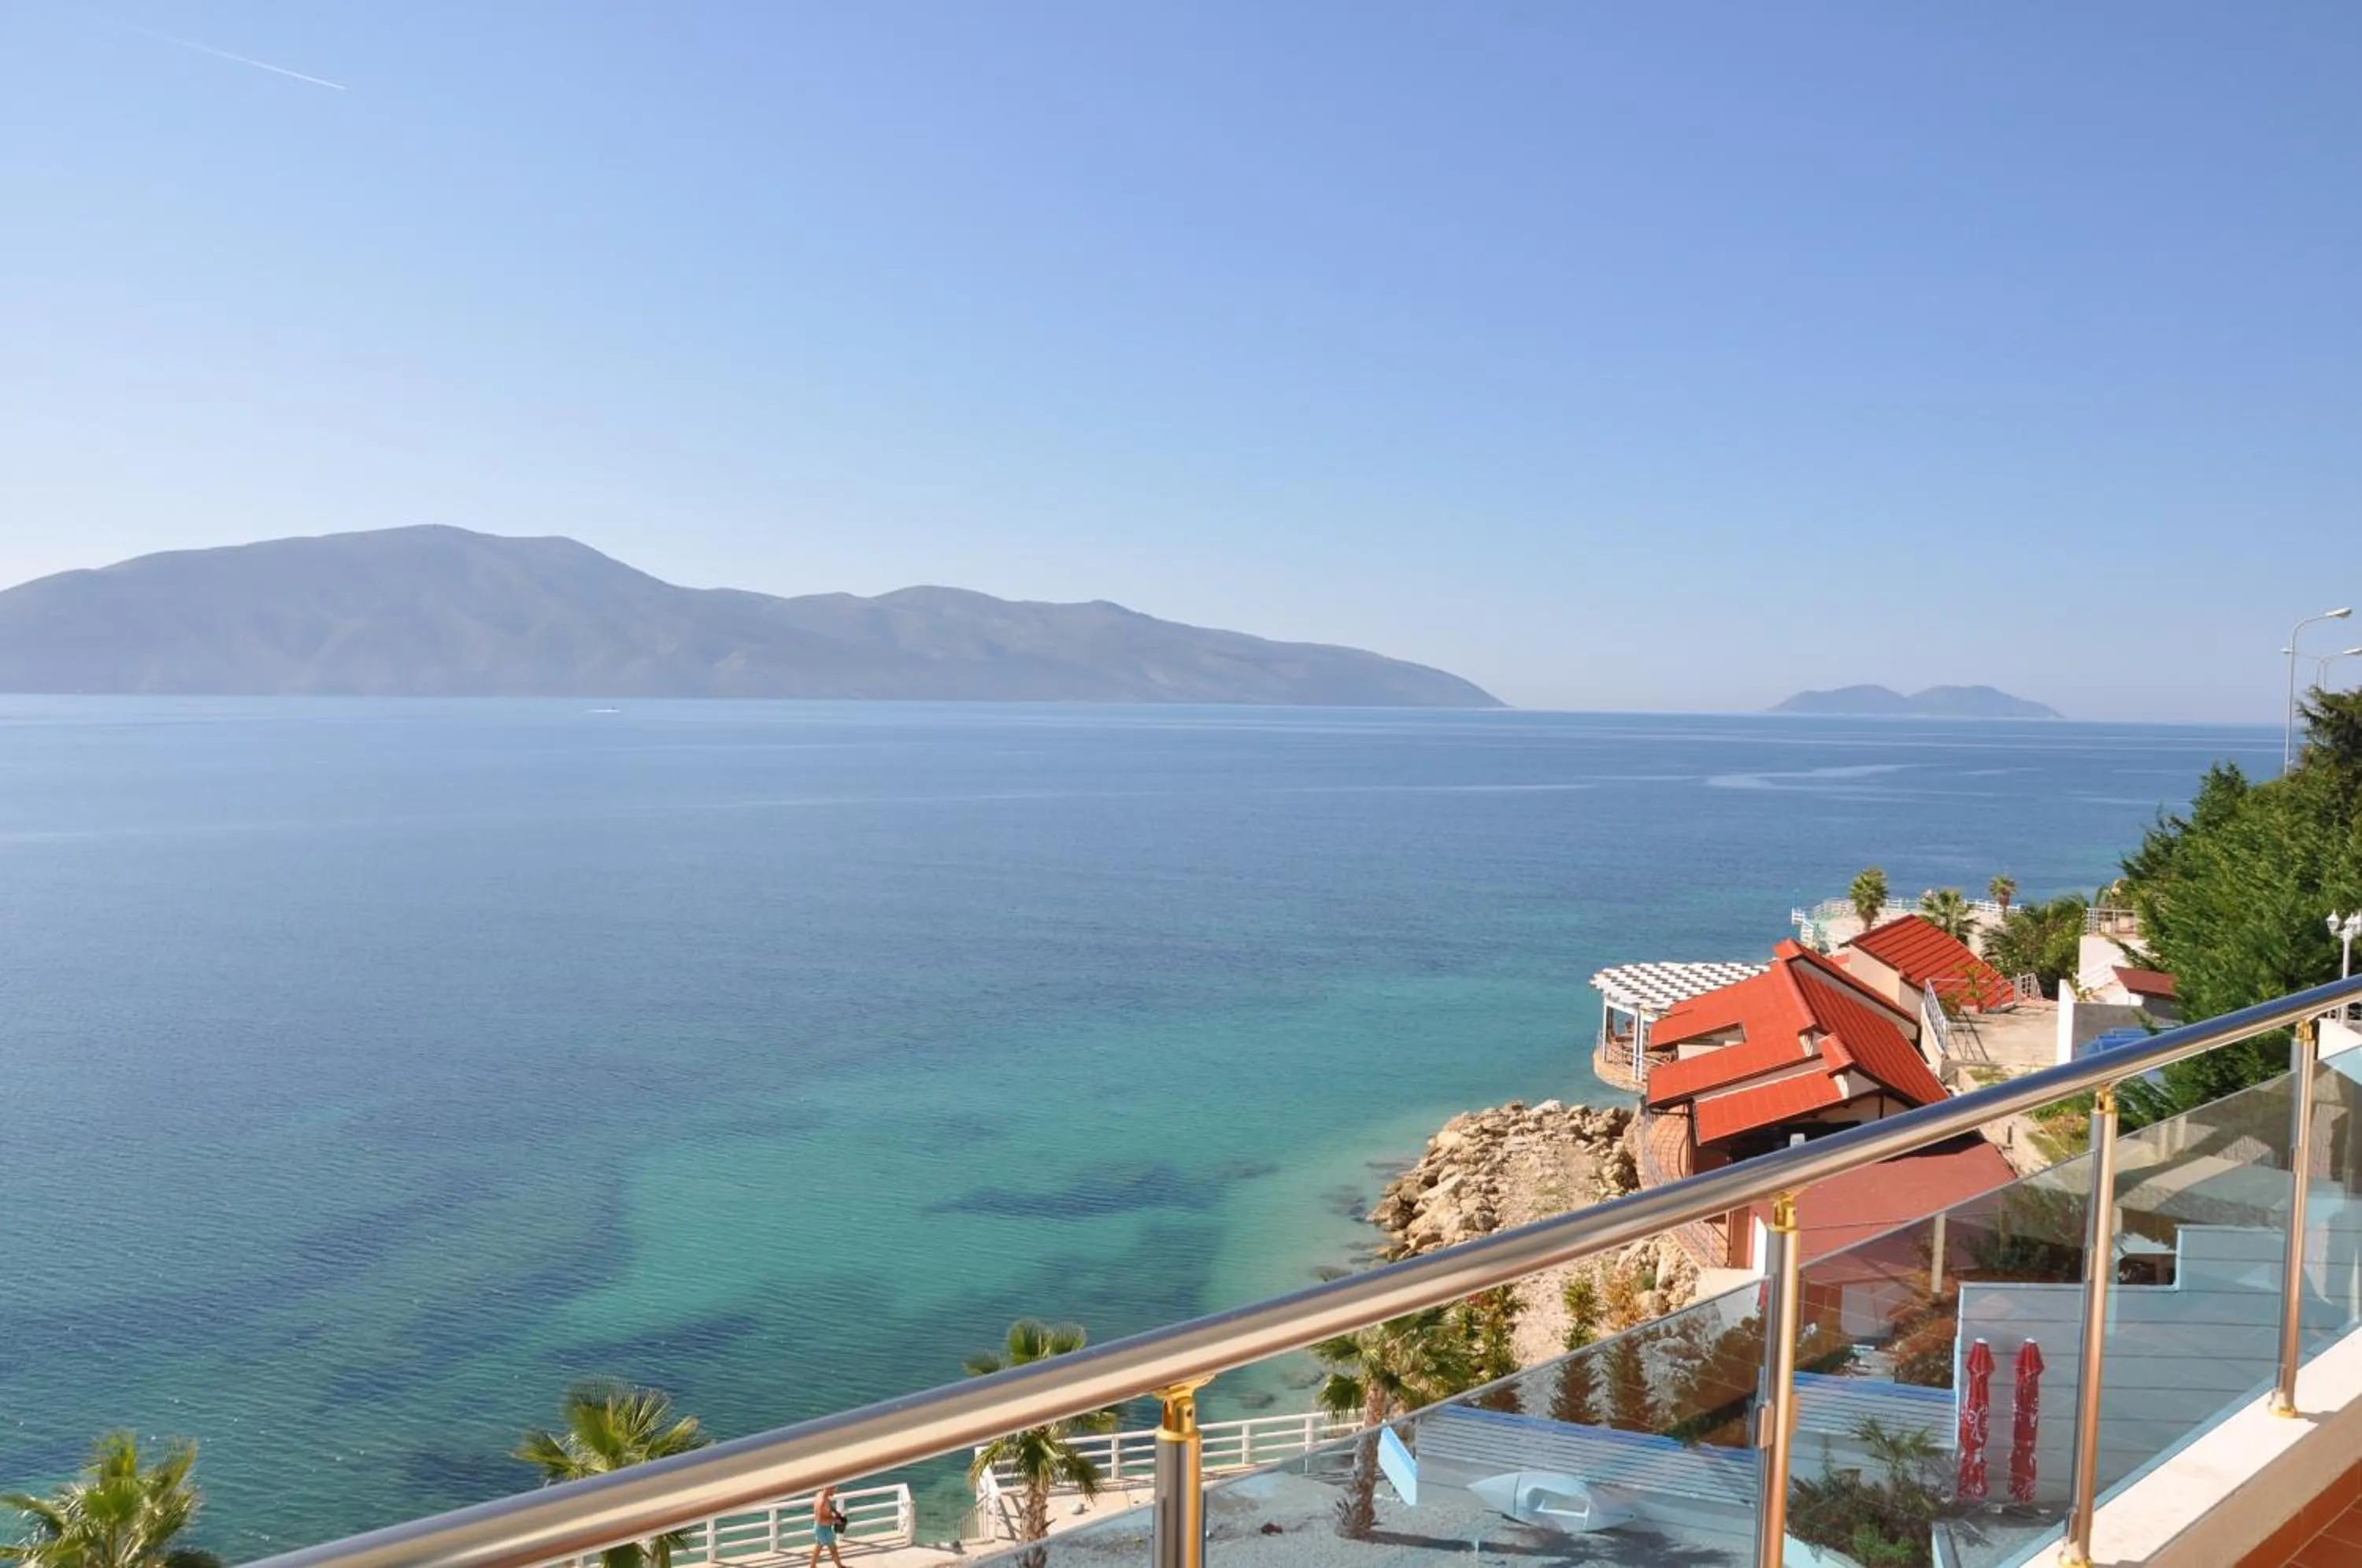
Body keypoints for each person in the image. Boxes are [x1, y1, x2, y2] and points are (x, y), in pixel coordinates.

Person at [808, 1485, 850, 1568]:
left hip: (821, 1528)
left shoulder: (820, 1494)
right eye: (834, 1490)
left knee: (818, 1547)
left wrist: (835, 1512)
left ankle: (812, 1566)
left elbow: (829, 1505)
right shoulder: (822, 1502)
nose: (835, 1492)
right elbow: (821, 1520)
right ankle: (840, 1566)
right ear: (828, 1488)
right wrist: (835, 1520)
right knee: (833, 1550)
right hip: (823, 1529)